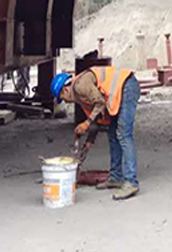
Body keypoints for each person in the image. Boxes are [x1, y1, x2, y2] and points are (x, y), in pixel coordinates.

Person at [51, 66, 140, 200]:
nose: (65, 101)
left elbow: (100, 103)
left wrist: (86, 123)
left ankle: (131, 182)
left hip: (127, 87)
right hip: (119, 92)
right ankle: (116, 177)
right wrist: (87, 143)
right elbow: (98, 120)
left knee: (123, 134)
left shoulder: (80, 86)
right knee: (113, 134)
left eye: (62, 98)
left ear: (65, 89)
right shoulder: (81, 96)